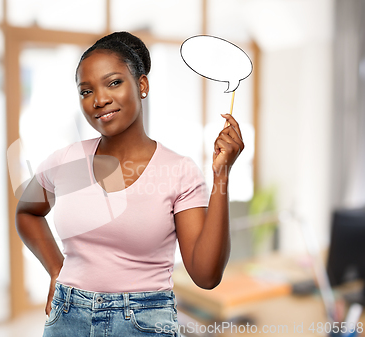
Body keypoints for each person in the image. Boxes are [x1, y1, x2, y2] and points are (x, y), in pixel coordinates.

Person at [15, 31, 244, 337]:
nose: (99, 99)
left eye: (113, 82)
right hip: (67, 318)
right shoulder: (66, 162)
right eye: (86, 91)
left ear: (142, 85)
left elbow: (206, 275)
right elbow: (27, 212)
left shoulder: (178, 171)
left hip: (143, 323)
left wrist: (222, 175)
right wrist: (57, 270)